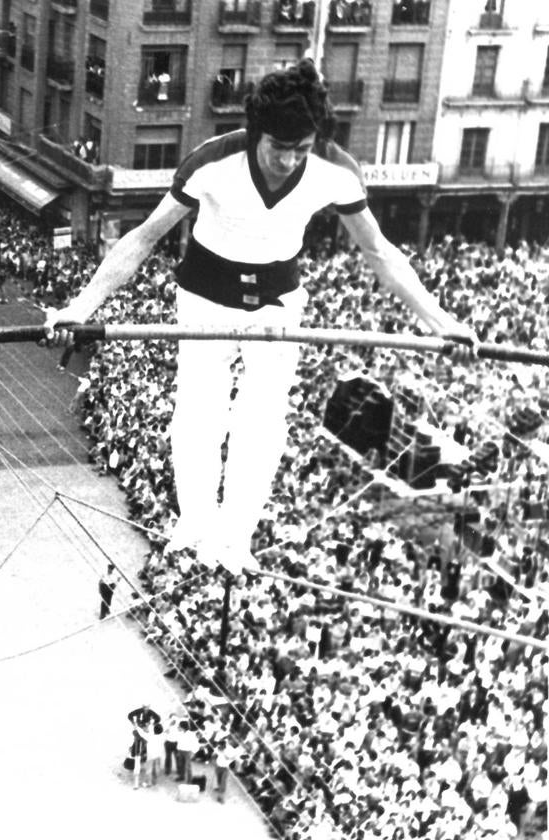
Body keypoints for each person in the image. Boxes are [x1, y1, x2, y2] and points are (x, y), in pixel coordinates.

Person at [46, 59, 477, 574]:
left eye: (302, 149)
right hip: (206, 292)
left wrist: (439, 321)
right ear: (256, 135)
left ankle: (236, 538)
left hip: (277, 294)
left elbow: (380, 252)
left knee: (264, 419)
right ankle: (197, 523)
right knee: (200, 409)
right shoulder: (212, 162)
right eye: (279, 148)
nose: (290, 161)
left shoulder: (336, 169)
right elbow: (143, 239)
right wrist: (79, 307)